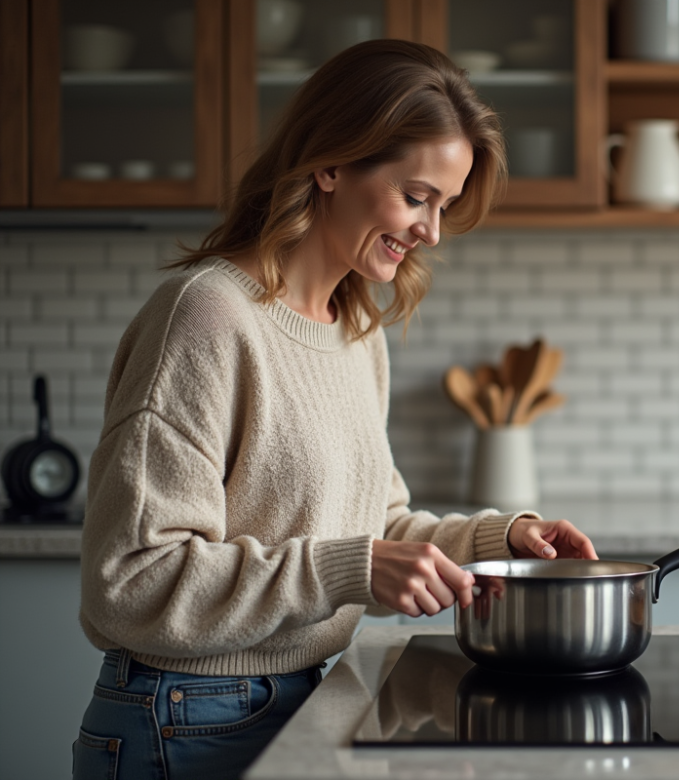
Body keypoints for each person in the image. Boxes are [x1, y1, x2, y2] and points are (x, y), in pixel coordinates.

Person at [73, 39, 597, 780]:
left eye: (443, 206)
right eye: (416, 196)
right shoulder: (207, 317)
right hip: (184, 716)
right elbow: (129, 582)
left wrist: (504, 538)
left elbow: (371, 531)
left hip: (297, 696)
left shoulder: (353, 329)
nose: (431, 231)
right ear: (331, 163)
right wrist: (350, 569)